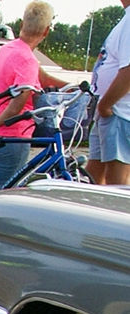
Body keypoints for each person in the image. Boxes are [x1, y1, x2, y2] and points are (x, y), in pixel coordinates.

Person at [0, 1, 69, 190]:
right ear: (46, 32)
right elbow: (16, 106)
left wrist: (72, 87)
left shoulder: (9, 49)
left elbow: (43, 78)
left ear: (22, 24)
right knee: (2, 195)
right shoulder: (27, 60)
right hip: (11, 135)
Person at [89, 0, 130, 184]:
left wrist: (106, 104)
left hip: (118, 111)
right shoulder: (125, 19)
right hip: (108, 111)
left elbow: (128, 70)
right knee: (93, 175)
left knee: (116, 180)